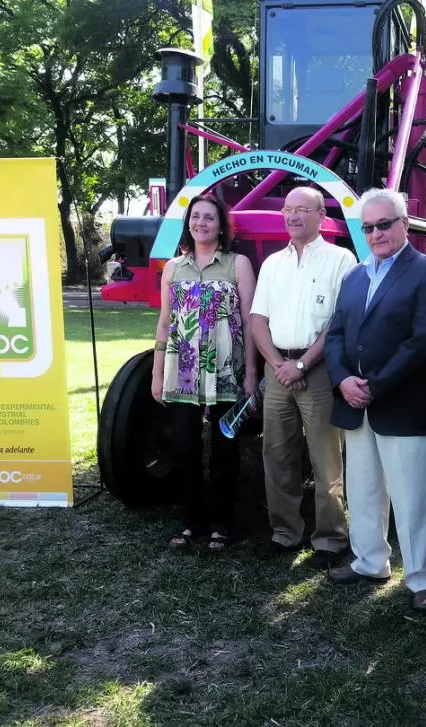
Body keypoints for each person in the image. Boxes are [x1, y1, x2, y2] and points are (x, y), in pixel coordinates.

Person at [323, 188, 426, 611]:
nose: (376, 233)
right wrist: (342, 379)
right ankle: (369, 562)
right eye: (368, 227)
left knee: (413, 498)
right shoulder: (355, 276)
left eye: (384, 224)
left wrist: (373, 385)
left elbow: (424, 341)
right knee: (362, 491)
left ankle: (423, 580)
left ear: (403, 223)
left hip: (407, 405)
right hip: (357, 405)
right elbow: (337, 334)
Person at [250, 186, 357, 564]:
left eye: (302, 210)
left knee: (325, 457)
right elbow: (257, 319)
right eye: (287, 210)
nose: (293, 216)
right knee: (276, 454)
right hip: (277, 368)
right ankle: (284, 532)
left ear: (321, 216)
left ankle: (330, 538)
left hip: (318, 370)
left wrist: (302, 364)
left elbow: (338, 322)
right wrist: (279, 363)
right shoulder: (273, 264)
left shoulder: (341, 259)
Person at [152, 193, 258, 552]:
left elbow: (248, 321)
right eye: (195, 217)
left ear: (221, 225)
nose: (201, 223)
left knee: (225, 450)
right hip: (182, 373)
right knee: (185, 447)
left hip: (227, 372)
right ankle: (190, 522)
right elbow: (165, 323)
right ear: (188, 223)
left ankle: (222, 523)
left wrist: (250, 374)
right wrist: (156, 374)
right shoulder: (173, 268)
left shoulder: (237, 265)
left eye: (209, 217)